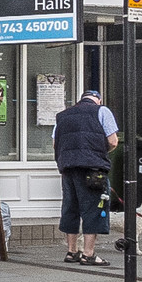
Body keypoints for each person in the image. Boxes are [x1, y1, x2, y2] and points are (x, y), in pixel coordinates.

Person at [51, 88, 118, 266]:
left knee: (70, 207)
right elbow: (113, 141)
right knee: (94, 208)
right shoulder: (102, 111)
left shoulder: (62, 115)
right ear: (98, 100)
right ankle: (88, 254)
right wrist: (100, 152)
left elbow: (54, 143)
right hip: (93, 169)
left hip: (68, 167)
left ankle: (71, 251)